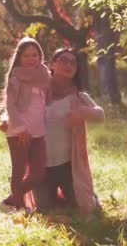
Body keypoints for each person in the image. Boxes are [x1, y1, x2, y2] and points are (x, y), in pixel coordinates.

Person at [34, 48, 105, 217]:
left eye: (73, 62)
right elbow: (19, 107)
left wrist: (82, 113)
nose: (69, 65)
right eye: (64, 60)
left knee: (82, 206)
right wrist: (8, 120)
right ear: (52, 64)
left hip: (67, 166)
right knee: (43, 210)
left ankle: (86, 195)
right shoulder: (38, 91)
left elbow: (100, 114)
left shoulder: (78, 96)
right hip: (41, 166)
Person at [0, 37, 50, 214]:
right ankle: (19, 207)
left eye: (35, 55)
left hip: (38, 131)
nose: (31, 59)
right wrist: (20, 129)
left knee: (39, 172)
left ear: (40, 56)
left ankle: (10, 201)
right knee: (19, 170)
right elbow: (11, 105)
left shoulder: (44, 75)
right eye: (26, 55)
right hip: (19, 131)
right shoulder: (16, 77)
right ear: (19, 58)